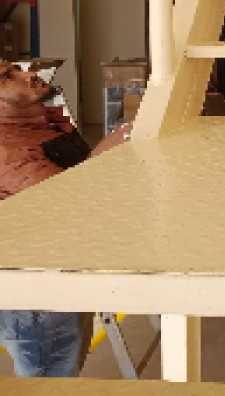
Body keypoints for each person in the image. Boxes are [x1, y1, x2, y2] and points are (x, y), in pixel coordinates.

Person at [0, 59, 130, 377]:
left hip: (61, 262)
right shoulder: (8, 149)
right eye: (7, 78)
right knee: (49, 380)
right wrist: (108, 150)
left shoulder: (38, 125)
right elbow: (62, 200)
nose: (29, 74)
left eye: (17, 68)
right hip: (37, 290)